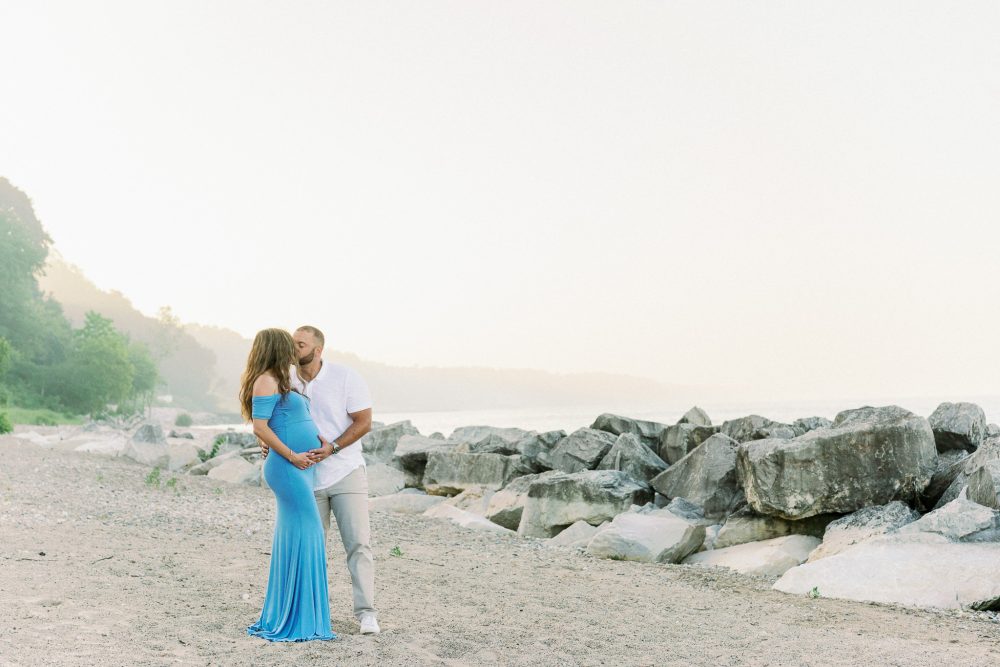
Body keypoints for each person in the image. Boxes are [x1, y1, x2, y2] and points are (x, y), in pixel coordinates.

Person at [260, 325, 379, 635]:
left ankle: (366, 613)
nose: (294, 349)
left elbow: (364, 421)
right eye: (292, 344)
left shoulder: (345, 377)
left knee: (358, 544)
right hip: (304, 476)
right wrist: (267, 442)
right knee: (311, 545)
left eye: (300, 344)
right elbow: (269, 418)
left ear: (318, 349)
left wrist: (334, 447)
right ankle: (313, 613)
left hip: (345, 471)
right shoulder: (285, 378)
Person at [240, 328, 336, 642]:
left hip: (299, 468)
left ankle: (300, 613)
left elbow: (286, 420)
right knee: (309, 533)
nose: (294, 351)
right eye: (289, 346)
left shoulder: (280, 381)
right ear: (278, 349)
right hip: (288, 469)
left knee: (300, 535)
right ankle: (300, 618)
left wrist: (320, 438)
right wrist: (293, 455)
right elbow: (260, 425)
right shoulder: (266, 379)